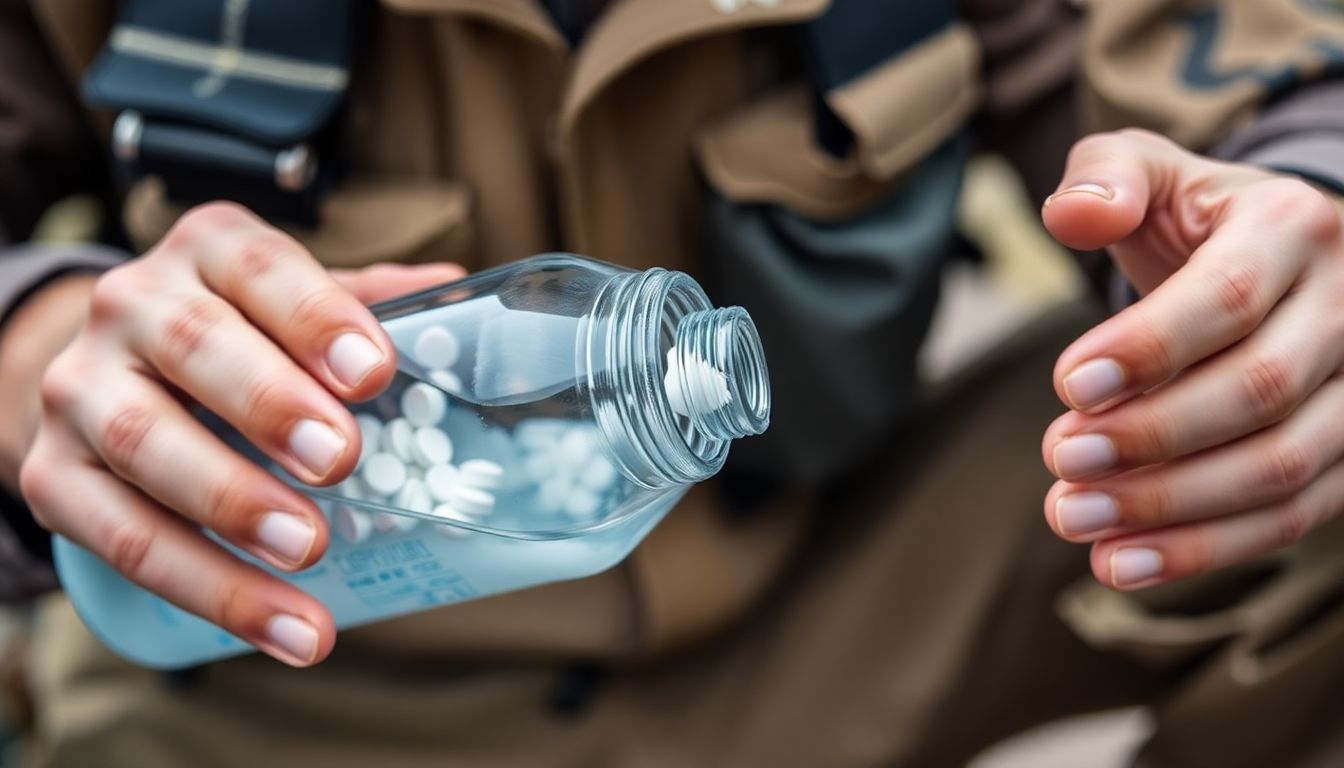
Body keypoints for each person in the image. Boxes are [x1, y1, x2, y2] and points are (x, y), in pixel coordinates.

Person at [1, 0, 1344, 765]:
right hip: (266, 704)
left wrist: (1285, 239)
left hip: (818, 623)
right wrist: (41, 347)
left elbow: (1245, 95)